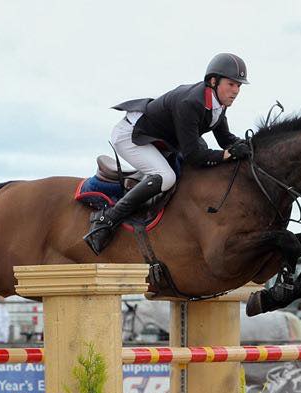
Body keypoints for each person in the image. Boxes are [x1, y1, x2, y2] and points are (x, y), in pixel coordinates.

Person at [84, 53, 251, 254]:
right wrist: (227, 155)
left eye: (239, 86)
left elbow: (225, 139)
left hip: (158, 138)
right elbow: (194, 156)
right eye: (231, 84)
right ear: (213, 81)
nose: (236, 91)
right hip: (131, 136)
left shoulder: (218, 104)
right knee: (166, 177)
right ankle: (106, 219)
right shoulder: (191, 103)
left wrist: (249, 145)